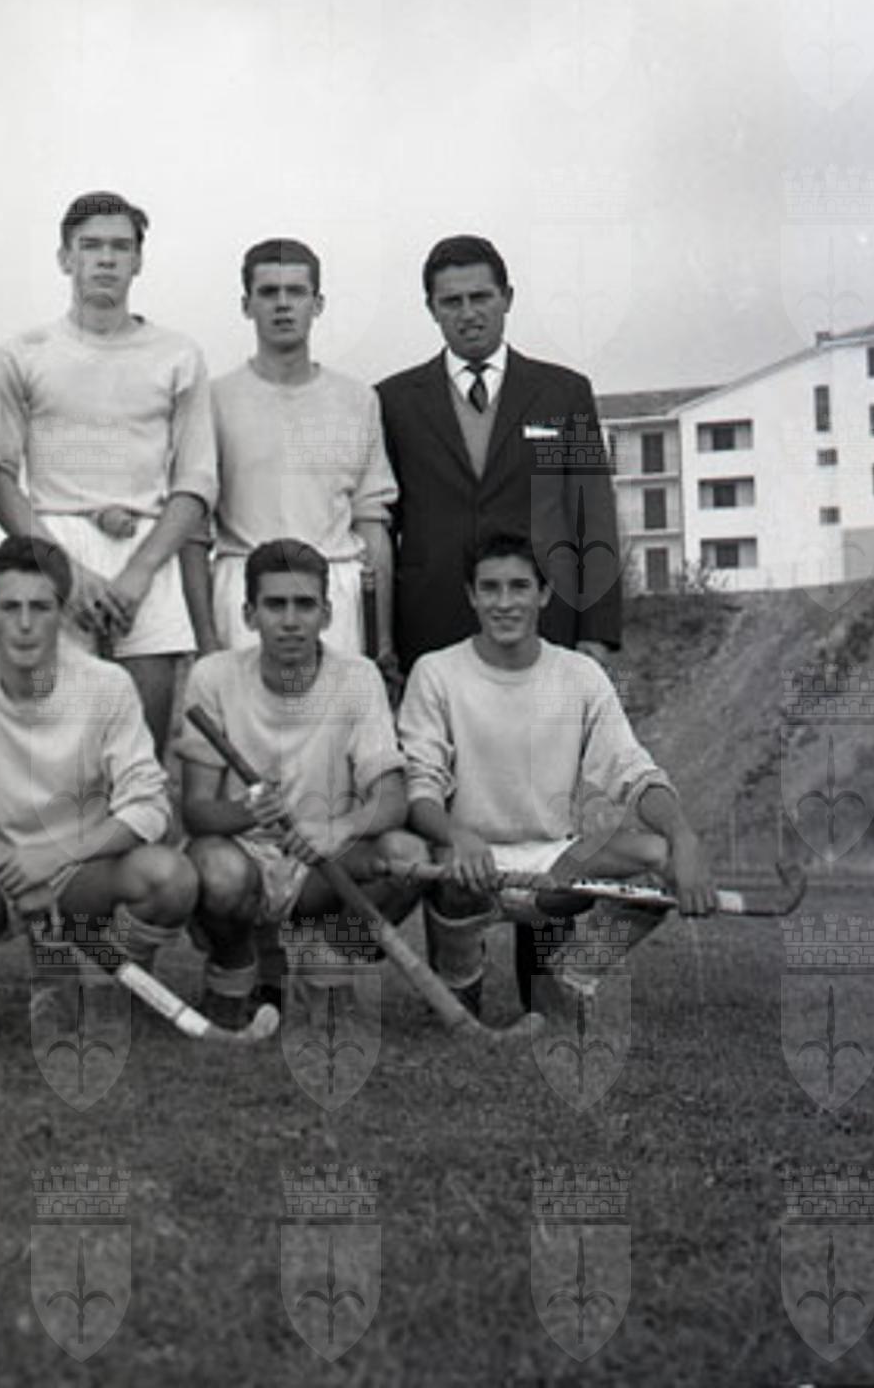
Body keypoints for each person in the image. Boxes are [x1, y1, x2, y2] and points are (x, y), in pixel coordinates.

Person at [397, 532, 715, 1023]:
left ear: (543, 594)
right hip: (467, 862)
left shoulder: (580, 674)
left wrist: (684, 837)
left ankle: (570, 977)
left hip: (553, 863)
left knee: (659, 856)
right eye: (490, 588)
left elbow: (630, 769)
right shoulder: (436, 673)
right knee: (450, 897)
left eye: (519, 587)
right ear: (471, 595)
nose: (505, 603)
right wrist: (457, 835)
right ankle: (459, 983)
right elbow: (420, 789)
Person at [0, 536, 197, 1036]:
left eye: (41, 607)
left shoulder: (107, 684)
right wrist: (0, 856)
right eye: (11, 607)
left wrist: (56, 857)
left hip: (81, 872)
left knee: (171, 877)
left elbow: (149, 805)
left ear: (62, 613)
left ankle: (102, 986)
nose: (26, 624)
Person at [0, 191, 216, 753]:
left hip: (147, 552)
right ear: (66, 258)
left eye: (120, 246)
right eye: (90, 246)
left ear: (138, 260)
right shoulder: (22, 353)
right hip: (52, 545)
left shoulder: (178, 354)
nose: (106, 259)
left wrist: (138, 574)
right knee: (50, 744)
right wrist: (62, 569)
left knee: (140, 747)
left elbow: (196, 480)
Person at [175, 539, 424, 1030]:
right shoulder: (212, 676)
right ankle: (234, 971)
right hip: (245, 857)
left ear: (327, 614)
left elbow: (392, 798)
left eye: (304, 605)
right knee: (216, 872)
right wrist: (248, 813)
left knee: (408, 857)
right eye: (275, 605)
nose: (290, 621)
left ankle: (326, 962)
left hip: (323, 863)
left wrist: (337, 829)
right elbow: (196, 812)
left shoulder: (359, 677)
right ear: (249, 614)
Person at [375, 234, 622, 677]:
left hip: (548, 623)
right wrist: (380, 639)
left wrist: (597, 632)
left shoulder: (565, 393)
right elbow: (380, 529)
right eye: (451, 302)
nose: (468, 313)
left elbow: (594, 514)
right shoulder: (392, 402)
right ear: (431, 308)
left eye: (480, 297)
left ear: (507, 298)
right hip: (430, 628)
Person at [181, 239, 397, 676]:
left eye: (296, 291)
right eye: (268, 292)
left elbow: (372, 525)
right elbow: (193, 533)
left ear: (317, 304)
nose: (282, 304)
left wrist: (382, 638)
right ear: (247, 305)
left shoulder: (356, 400)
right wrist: (205, 638)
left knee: (334, 718)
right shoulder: (214, 400)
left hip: (335, 596)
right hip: (244, 593)